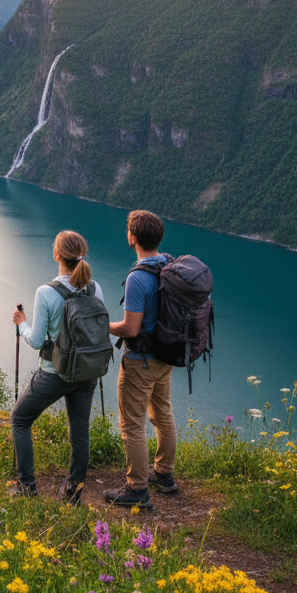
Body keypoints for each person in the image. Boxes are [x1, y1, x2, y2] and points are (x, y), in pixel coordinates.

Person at [10, 230, 103, 503]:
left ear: (56, 255)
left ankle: (27, 487)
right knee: (80, 433)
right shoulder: (95, 288)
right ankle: (73, 494)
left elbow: (37, 341)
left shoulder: (46, 292)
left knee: (20, 419)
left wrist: (21, 324)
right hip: (86, 371)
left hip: (54, 373)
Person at [104, 209, 178, 508]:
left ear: (132, 238)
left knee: (132, 424)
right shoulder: (168, 264)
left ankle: (137, 489)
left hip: (140, 361)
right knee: (162, 413)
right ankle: (164, 474)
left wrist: (103, 325)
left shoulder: (138, 277)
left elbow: (131, 328)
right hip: (166, 355)